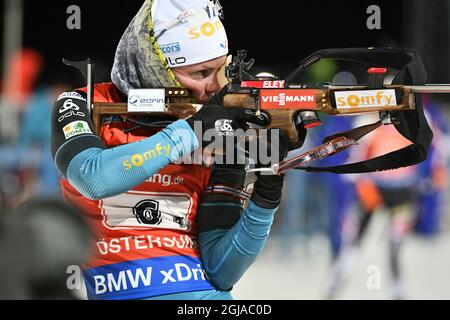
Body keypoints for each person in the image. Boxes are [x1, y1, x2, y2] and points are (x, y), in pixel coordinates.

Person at [51, 0, 294, 300]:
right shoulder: (82, 104)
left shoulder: (217, 129)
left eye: (220, 71)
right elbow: (93, 177)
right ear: (153, 64)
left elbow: (222, 270)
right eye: (201, 73)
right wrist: (191, 130)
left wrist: (267, 188)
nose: (214, 88)